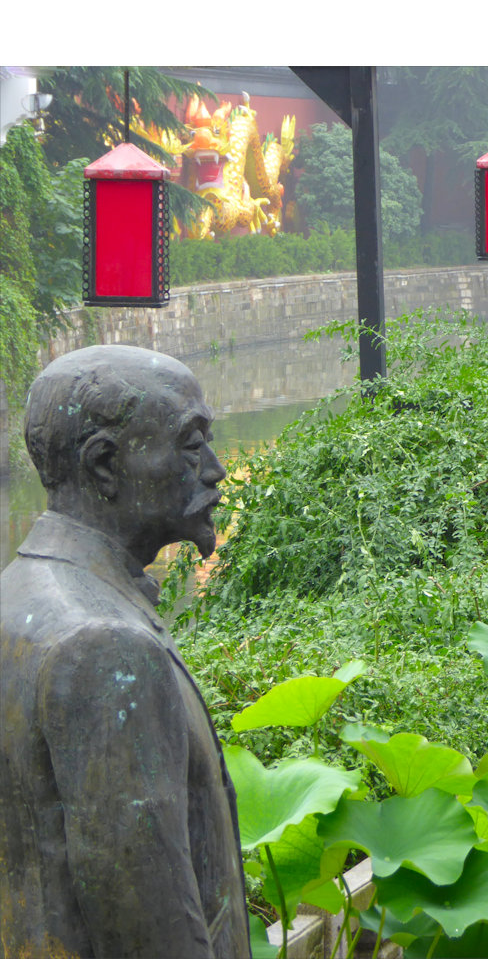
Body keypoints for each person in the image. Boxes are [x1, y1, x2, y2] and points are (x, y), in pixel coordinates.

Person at [0, 345, 250, 958]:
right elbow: (151, 932)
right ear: (105, 464)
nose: (215, 469)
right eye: (191, 443)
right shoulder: (105, 650)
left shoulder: (16, 596)